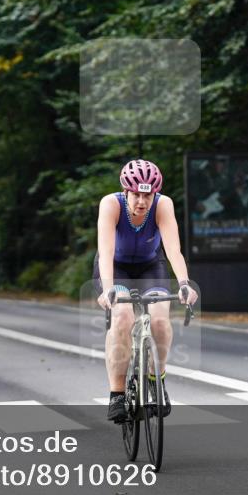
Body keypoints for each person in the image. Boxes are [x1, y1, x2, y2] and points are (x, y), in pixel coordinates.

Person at [95, 159, 199, 422]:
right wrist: (108, 289)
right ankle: (117, 393)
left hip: (150, 266)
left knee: (161, 321)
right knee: (122, 317)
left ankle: (156, 379)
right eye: (136, 194)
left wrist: (184, 283)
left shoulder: (163, 205)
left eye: (148, 195)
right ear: (126, 191)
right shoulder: (111, 204)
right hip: (115, 267)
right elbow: (106, 251)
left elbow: (173, 250)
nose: (142, 201)